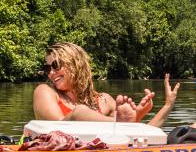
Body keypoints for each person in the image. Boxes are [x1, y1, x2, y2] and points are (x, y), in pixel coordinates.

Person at [32, 42, 178, 127]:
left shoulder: (105, 100)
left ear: (75, 64)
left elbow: (133, 135)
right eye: (47, 68)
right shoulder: (44, 91)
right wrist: (117, 122)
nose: (50, 73)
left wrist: (144, 112)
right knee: (80, 112)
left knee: (122, 122)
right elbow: (59, 125)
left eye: (56, 65)